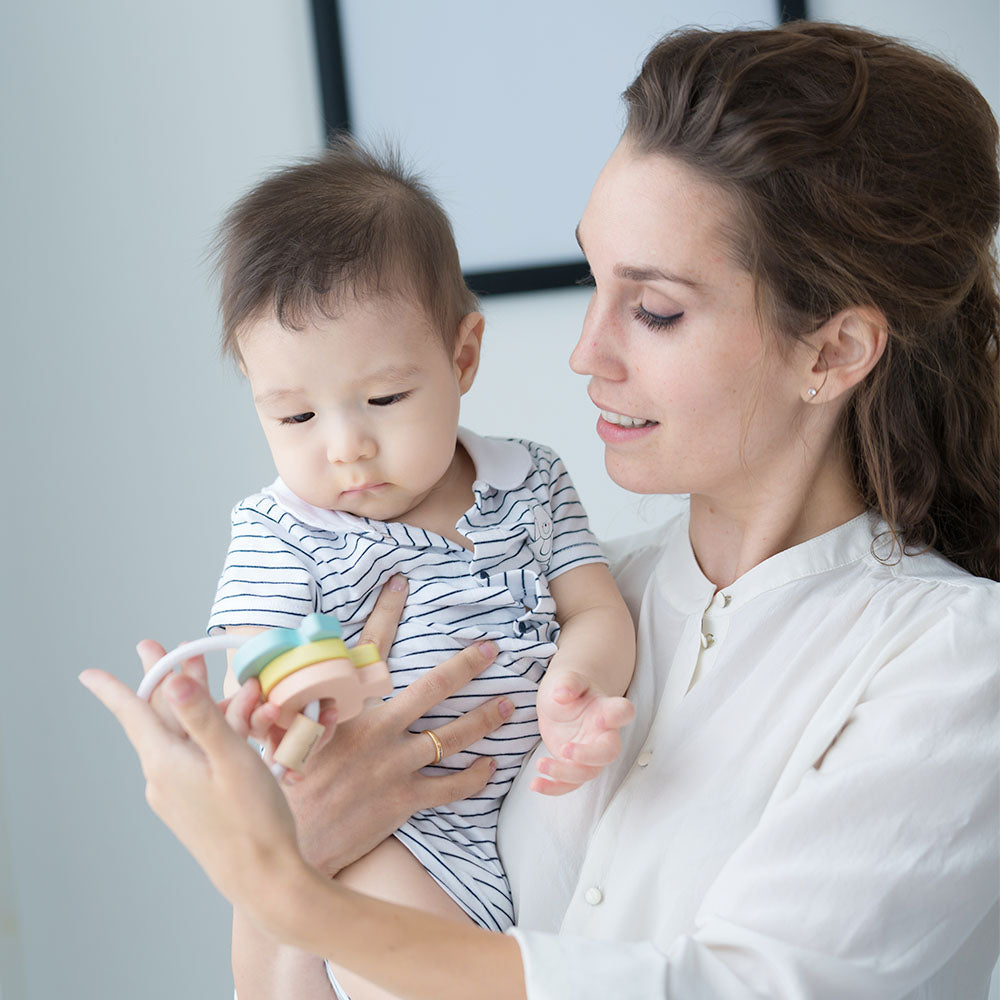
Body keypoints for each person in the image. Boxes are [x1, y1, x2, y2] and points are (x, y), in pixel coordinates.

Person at [81, 20, 999, 1000]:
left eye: (652, 310)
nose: (585, 353)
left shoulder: (953, 658)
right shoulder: (557, 608)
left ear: (832, 352)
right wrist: (303, 842)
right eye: (589, 280)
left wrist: (284, 883)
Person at [201, 138, 636, 998]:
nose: (345, 444)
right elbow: (259, 656)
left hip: (522, 824)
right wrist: (315, 686)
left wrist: (578, 687)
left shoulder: (532, 480)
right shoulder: (283, 529)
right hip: (381, 840)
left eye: (385, 399)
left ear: (463, 356)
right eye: (293, 416)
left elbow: (596, 609)